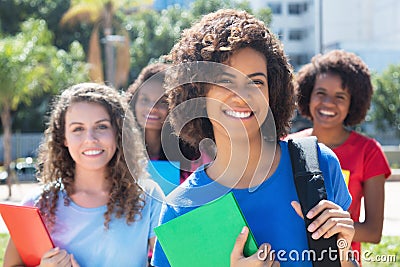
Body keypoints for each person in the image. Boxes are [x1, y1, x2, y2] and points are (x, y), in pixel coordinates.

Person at [151, 9, 356, 267]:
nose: (242, 95)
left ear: (274, 92)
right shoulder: (181, 209)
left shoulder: (318, 166)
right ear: (198, 93)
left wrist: (343, 255)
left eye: (256, 82)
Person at [4, 83, 164, 267]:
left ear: (118, 133)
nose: (90, 138)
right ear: (63, 137)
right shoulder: (37, 204)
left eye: (102, 126)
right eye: (78, 129)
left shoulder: (148, 197)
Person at [287, 49, 391, 261]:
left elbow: (373, 231)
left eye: (340, 96)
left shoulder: (368, 152)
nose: (328, 103)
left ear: (353, 102)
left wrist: (323, 224)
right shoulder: (288, 145)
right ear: (307, 94)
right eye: (321, 93)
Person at [127, 62, 210, 184]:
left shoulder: (196, 157)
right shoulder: (121, 154)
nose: (152, 108)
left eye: (162, 101)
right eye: (144, 100)